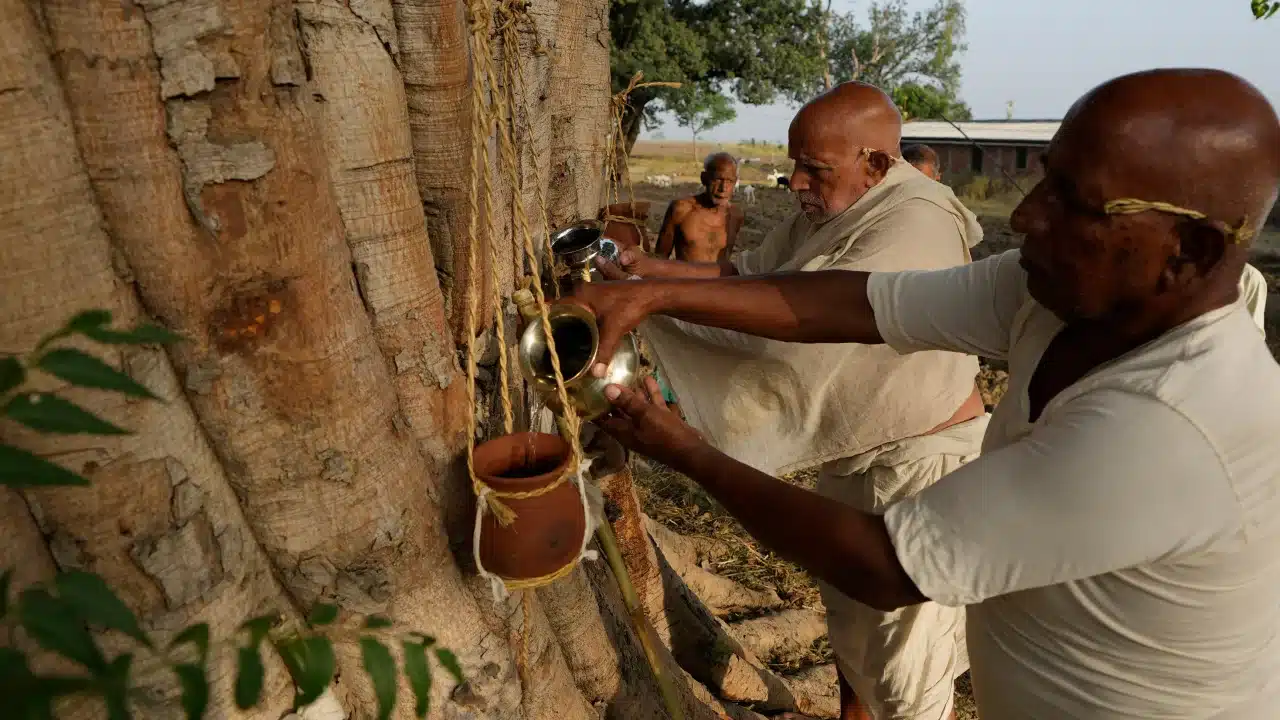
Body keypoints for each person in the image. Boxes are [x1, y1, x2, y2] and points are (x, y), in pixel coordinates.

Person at [572, 68, 1280, 719]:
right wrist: (654, 291)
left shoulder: (1168, 425)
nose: (1027, 215)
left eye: (1072, 203)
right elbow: (860, 304)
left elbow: (886, 565)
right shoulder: (1057, 294)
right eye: (1044, 181)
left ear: (1192, 252)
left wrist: (687, 450)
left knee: (903, 679)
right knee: (866, 658)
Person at [604, 82, 987, 720]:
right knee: (854, 637)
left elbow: (802, 319)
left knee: (906, 668)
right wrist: (640, 272)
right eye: (794, 164)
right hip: (854, 460)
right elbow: (745, 274)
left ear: (877, 164)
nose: (798, 183)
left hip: (920, 471)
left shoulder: (916, 221)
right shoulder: (827, 209)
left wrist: (651, 299)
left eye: (816, 170)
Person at [654, 152, 746, 263]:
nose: (723, 188)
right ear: (704, 178)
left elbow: (726, 258)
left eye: (730, 181)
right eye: (718, 179)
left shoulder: (735, 216)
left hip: (720, 280)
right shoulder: (681, 209)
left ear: (735, 182)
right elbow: (660, 257)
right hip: (685, 279)